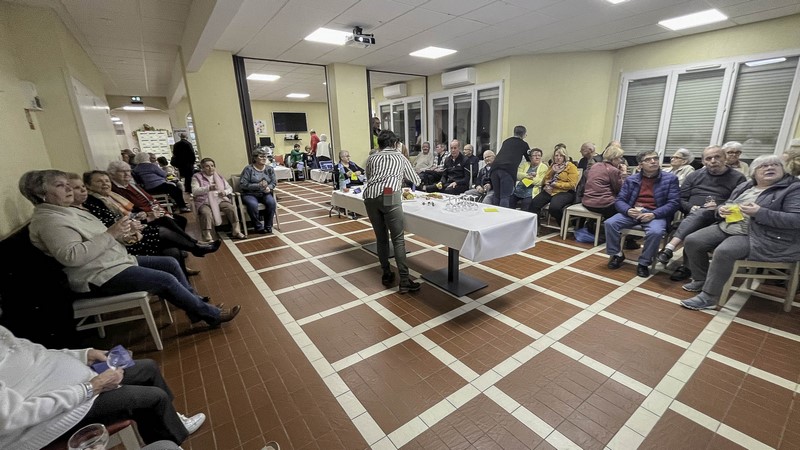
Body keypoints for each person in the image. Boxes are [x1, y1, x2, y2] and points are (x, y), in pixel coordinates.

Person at [19, 170, 240, 327]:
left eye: (68, 184)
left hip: (115, 262)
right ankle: (210, 315)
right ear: (41, 194)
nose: (69, 189)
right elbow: (72, 256)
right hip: (98, 275)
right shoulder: (50, 221)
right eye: (60, 185)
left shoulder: (69, 211)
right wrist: (112, 234)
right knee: (165, 279)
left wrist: (124, 235)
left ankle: (196, 307)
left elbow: (102, 237)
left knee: (170, 262)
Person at [0, 325, 205, 448]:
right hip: (48, 420)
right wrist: (91, 387)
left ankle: (171, 421)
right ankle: (169, 440)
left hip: (79, 384)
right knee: (153, 398)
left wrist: (84, 355)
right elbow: (10, 418)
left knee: (147, 368)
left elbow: (38, 355)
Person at [680, 155, 800, 310]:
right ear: (754, 172)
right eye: (763, 166)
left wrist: (760, 212)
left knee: (725, 251)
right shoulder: (747, 185)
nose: (770, 167)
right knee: (692, 240)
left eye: (775, 165)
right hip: (730, 225)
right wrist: (720, 210)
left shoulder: (793, 189)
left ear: (783, 169)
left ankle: (708, 297)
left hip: (759, 234)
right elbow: (729, 203)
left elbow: (796, 219)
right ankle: (701, 279)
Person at [73, 172, 210, 277]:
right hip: (125, 241)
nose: (105, 184)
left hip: (134, 228)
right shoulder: (94, 202)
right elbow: (113, 224)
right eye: (99, 181)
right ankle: (194, 247)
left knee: (172, 247)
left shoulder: (112, 196)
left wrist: (143, 215)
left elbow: (134, 210)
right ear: (89, 185)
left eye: (106, 181)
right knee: (164, 226)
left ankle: (187, 278)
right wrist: (144, 219)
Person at [656, 146, 746, 281]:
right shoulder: (694, 175)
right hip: (693, 214)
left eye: (717, 157)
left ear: (725, 158)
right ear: (703, 161)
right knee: (699, 216)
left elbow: (739, 202)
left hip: (720, 218)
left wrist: (719, 207)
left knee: (702, 214)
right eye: (708, 158)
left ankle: (671, 249)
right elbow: (681, 199)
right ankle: (687, 266)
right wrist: (692, 207)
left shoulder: (738, 178)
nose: (713, 161)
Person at [363, 130, 422, 294]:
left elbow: (369, 177)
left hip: (370, 195)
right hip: (389, 192)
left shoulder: (372, 158)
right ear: (395, 143)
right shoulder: (400, 157)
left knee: (381, 238)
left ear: (380, 144)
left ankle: (386, 273)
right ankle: (404, 280)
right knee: (397, 239)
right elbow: (416, 180)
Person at [605, 150, 680, 277]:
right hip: (634, 212)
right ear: (640, 164)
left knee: (656, 232)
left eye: (655, 158)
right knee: (609, 223)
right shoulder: (631, 179)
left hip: (655, 214)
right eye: (648, 160)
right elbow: (619, 200)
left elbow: (674, 203)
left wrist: (654, 214)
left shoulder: (670, 179)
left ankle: (644, 263)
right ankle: (617, 254)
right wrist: (628, 210)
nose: (653, 161)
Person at [108, 161, 189, 232]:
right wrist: (151, 214)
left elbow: (151, 199)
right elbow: (134, 209)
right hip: (144, 218)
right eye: (122, 171)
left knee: (182, 220)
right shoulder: (115, 190)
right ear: (113, 174)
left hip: (154, 211)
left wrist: (165, 212)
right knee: (170, 221)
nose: (127, 174)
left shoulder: (132, 185)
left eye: (128, 171)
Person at [192, 158, 245, 241]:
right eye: (207, 166)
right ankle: (207, 234)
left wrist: (225, 192)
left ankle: (236, 230)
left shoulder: (219, 176)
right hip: (204, 201)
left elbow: (229, 188)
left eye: (212, 166)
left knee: (231, 208)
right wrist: (208, 188)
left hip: (219, 199)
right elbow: (194, 191)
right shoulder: (197, 177)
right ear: (202, 168)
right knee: (205, 212)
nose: (210, 168)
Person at [528, 145, 579, 225]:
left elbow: (572, 184)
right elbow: (545, 179)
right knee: (534, 203)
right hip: (550, 190)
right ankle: (535, 226)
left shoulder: (571, 167)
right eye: (556, 155)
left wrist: (556, 184)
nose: (558, 158)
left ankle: (564, 224)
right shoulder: (552, 165)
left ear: (565, 157)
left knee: (554, 208)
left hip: (565, 192)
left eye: (561, 156)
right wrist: (551, 175)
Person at [581, 145, 628, 220]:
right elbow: (620, 189)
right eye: (619, 158)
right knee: (626, 208)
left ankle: (592, 223)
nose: (621, 161)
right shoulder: (613, 170)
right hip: (602, 205)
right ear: (613, 158)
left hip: (587, 202)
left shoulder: (595, 165)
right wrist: (624, 174)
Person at [239, 149, 278, 234]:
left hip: (264, 193)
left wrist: (269, 187)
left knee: (271, 202)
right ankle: (258, 227)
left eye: (265, 156)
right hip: (249, 194)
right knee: (252, 205)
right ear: (255, 158)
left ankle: (268, 226)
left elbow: (274, 182)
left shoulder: (269, 169)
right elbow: (243, 184)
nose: (264, 158)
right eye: (261, 156)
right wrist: (258, 185)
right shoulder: (248, 169)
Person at [490, 125, 530, 207]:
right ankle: (503, 215)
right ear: (524, 134)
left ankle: (495, 214)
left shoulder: (506, 141)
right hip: (507, 170)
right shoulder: (524, 144)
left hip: (494, 168)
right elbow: (529, 158)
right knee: (505, 196)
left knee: (496, 195)